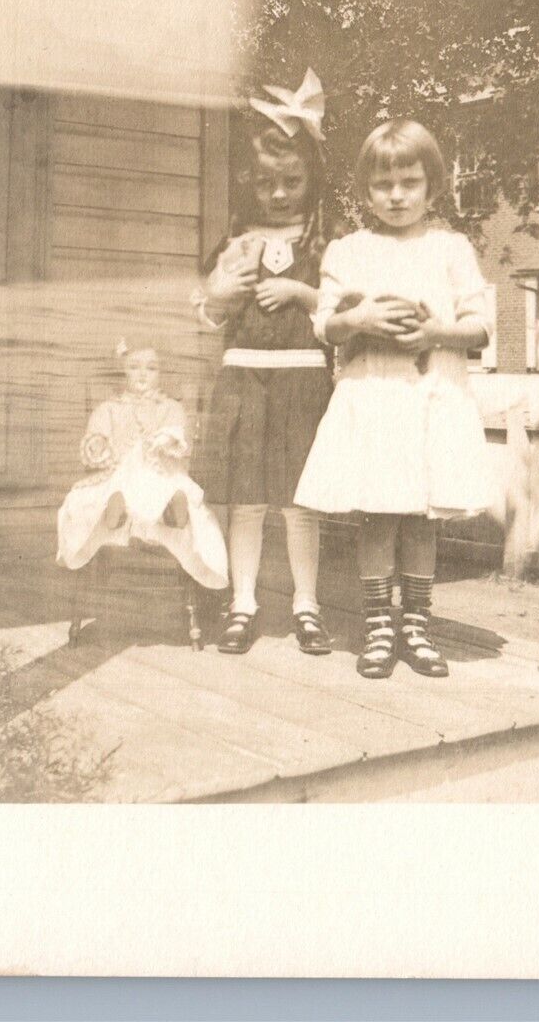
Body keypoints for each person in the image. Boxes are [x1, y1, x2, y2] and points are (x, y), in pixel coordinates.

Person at [294, 119, 495, 679]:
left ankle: (417, 627)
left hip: (431, 395)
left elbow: (480, 327)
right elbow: (325, 324)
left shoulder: (450, 248)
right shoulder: (350, 249)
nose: (398, 195)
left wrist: (436, 334)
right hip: (376, 395)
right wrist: (360, 317)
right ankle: (379, 625)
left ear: (433, 186)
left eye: (411, 182)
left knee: (423, 519)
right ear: (365, 191)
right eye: (384, 185)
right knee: (380, 514)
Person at [194, 69, 333, 656]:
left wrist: (303, 295)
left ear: (311, 178)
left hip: (302, 379)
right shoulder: (235, 240)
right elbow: (209, 313)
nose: (278, 194)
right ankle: (243, 601)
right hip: (244, 379)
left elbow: (345, 311)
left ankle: (306, 605)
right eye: (265, 183)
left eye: (291, 181)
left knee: (300, 502)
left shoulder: (326, 241)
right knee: (246, 498)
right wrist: (224, 290)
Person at [56, 342, 228, 600]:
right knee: (94, 496)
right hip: (118, 474)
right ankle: (116, 510)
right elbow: (94, 441)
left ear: (161, 374)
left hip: (159, 474)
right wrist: (100, 445)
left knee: (166, 490)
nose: (142, 374)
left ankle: (172, 510)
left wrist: (168, 440)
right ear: (123, 372)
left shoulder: (171, 407)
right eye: (134, 368)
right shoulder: (109, 408)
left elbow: (180, 438)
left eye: (151, 368)